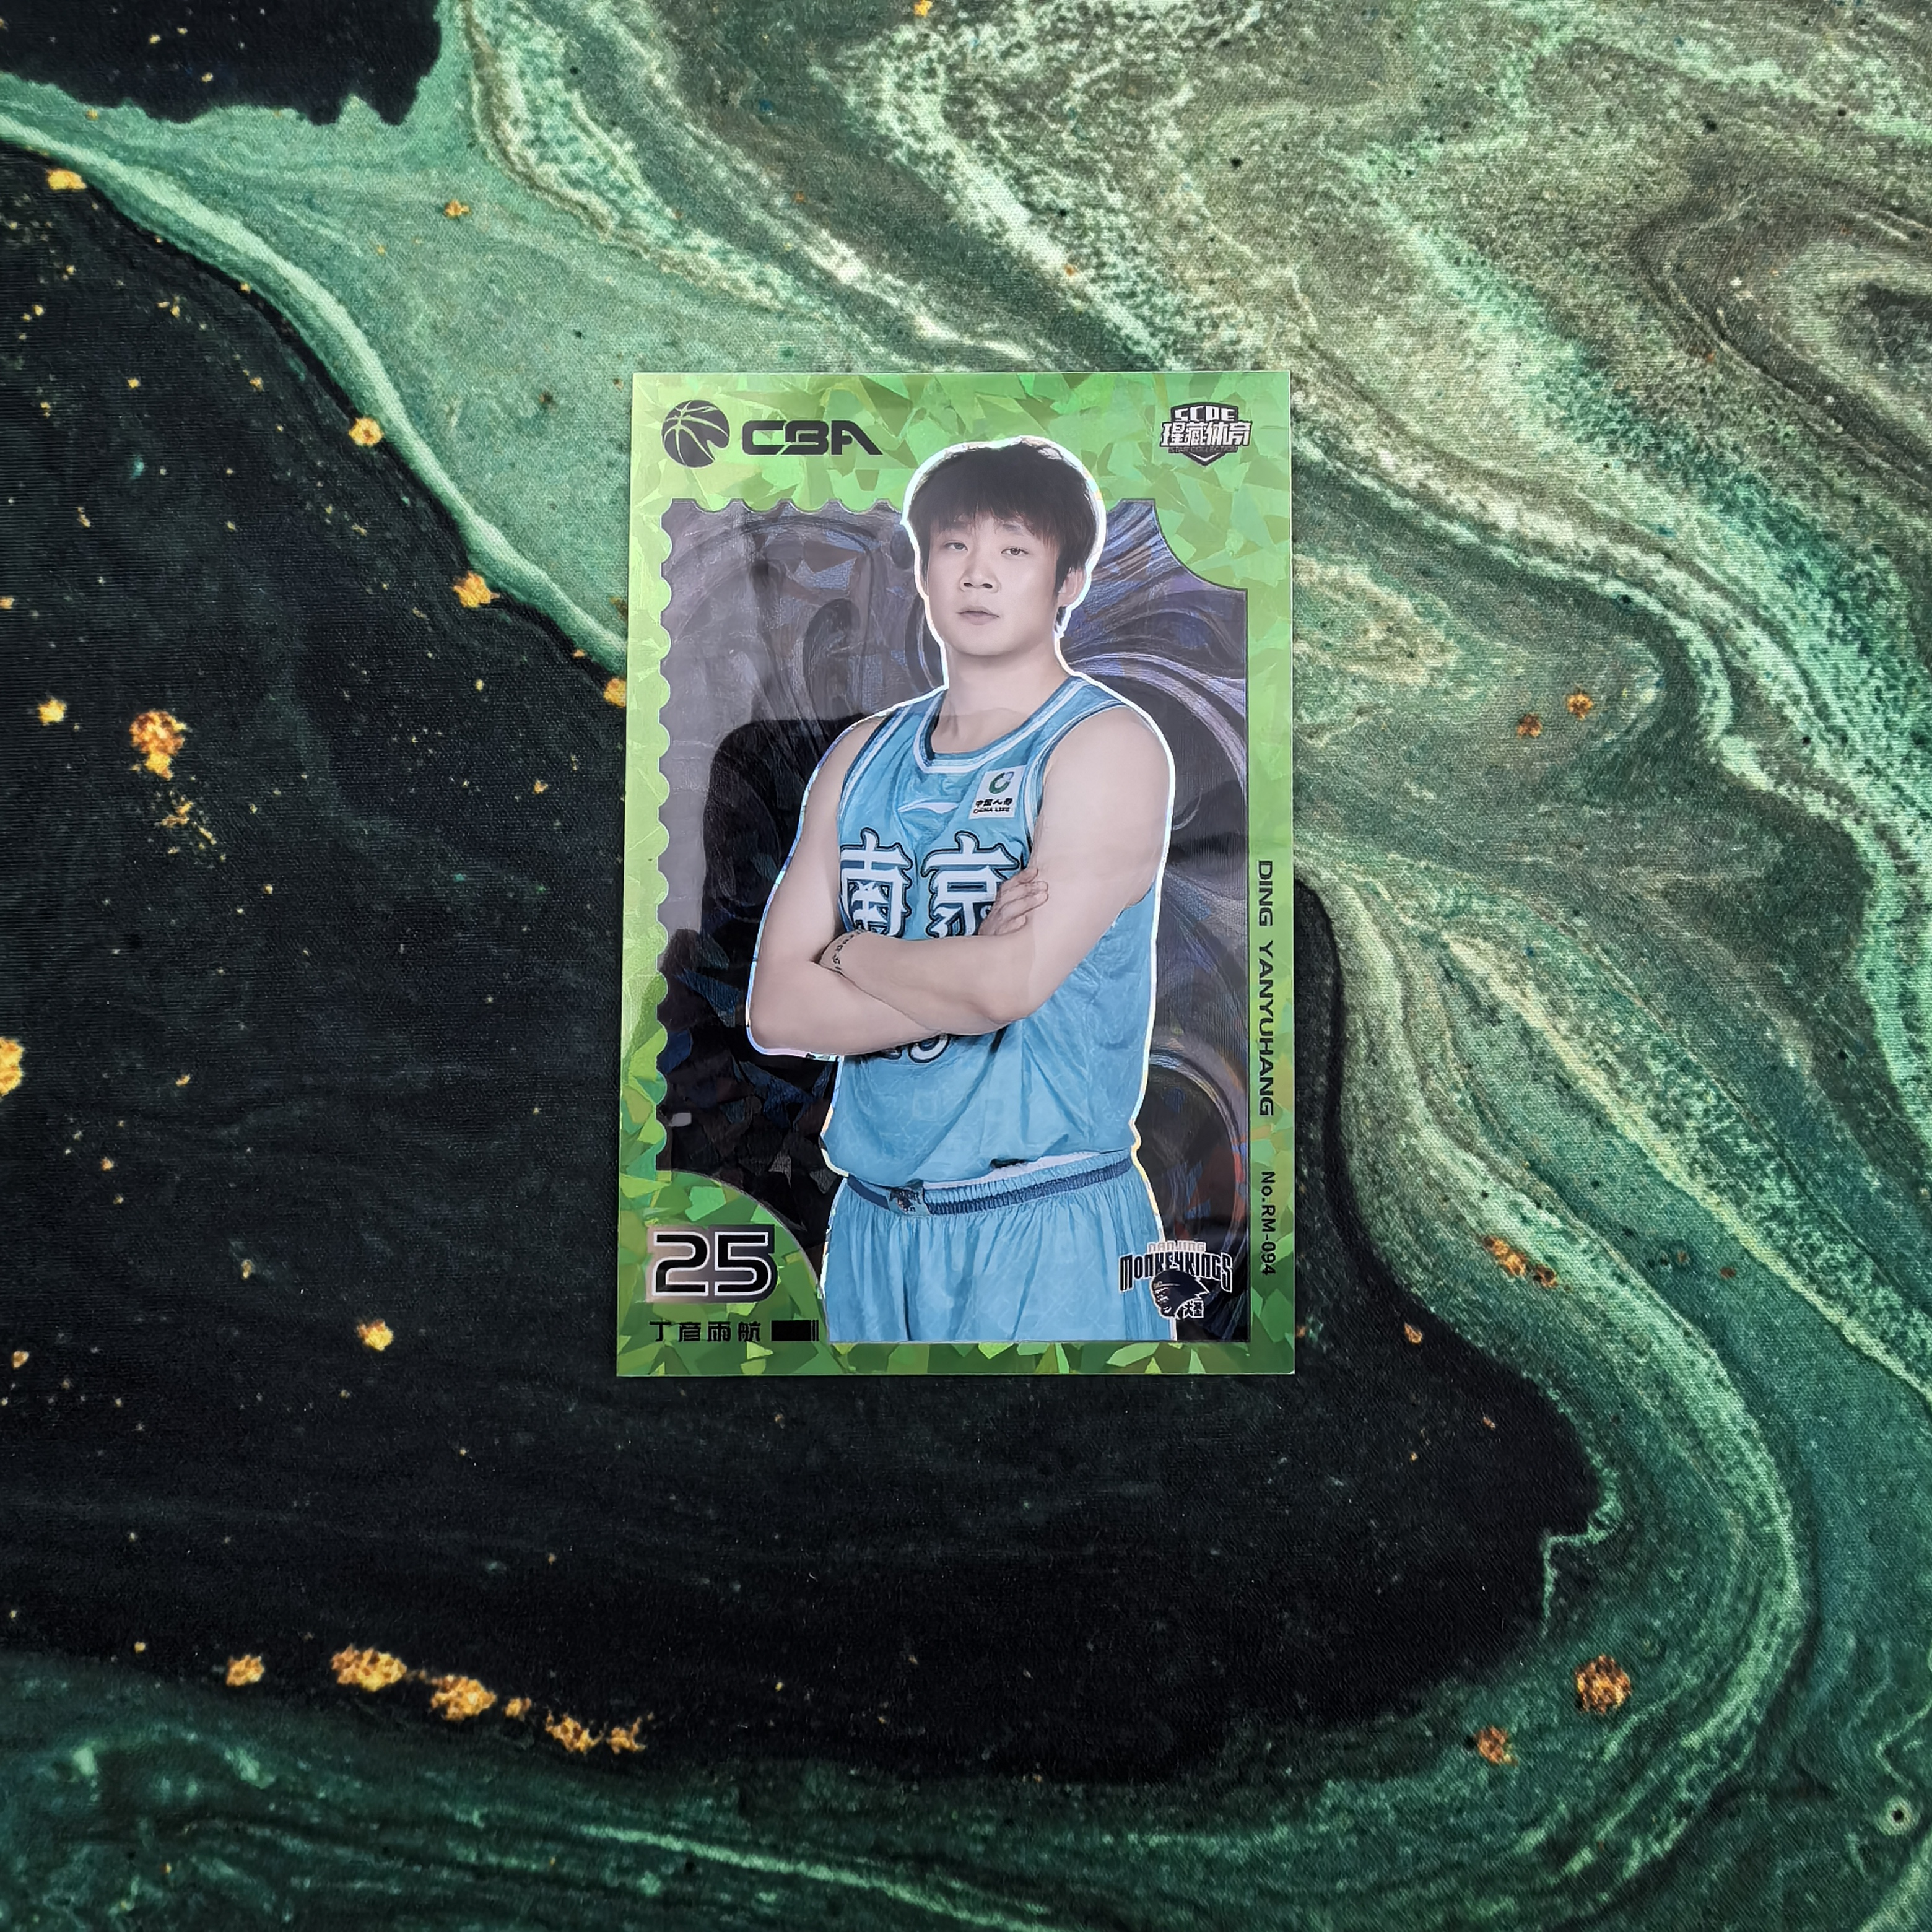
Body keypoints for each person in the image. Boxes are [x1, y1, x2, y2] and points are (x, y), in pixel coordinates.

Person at [746, 437, 1175, 1343]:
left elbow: (1002, 989)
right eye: (954, 546)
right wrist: (971, 967)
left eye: (1015, 550)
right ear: (923, 569)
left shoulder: (1106, 747)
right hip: (871, 1226)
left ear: (1068, 581)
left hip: (1043, 1221)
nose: (978, 573)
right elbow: (777, 1012)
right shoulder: (860, 756)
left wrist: (851, 953)